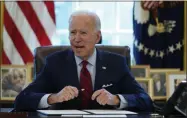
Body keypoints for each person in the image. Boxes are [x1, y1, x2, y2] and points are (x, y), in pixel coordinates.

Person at [14, 10, 153, 112]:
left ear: (97, 37)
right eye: (73, 33)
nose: (76, 39)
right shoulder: (54, 62)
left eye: (83, 33)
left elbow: (145, 101)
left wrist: (115, 99)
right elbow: (21, 100)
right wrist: (53, 98)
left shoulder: (116, 63)